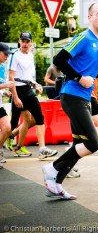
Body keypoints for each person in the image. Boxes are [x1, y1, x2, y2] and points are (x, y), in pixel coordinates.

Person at [42, 2, 98, 200]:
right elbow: (58, 60)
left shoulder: (97, 41)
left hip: (85, 97)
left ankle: (56, 184)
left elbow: (92, 73)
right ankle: (51, 168)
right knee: (92, 144)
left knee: (80, 143)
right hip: (72, 96)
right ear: (90, 17)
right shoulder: (83, 37)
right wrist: (78, 78)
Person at [8, 31, 58, 159]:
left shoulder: (30, 54)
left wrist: (36, 84)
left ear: (31, 43)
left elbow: (28, 76)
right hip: (18, 91)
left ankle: (42, 149)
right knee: (13, 123)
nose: (25, 44)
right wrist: (16, 97)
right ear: (19, 41)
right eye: (23, 41)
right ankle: (9, 138)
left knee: (38, 118)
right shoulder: (15, 55)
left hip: (28, 90)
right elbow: (11, 77)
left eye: (27, 41)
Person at [0, 42, 15, 168]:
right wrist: (5, 86)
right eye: (5, 54)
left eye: (8, 54)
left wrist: (4, 91)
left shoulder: (2, 68)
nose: (7, 56)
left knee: (7, 128)